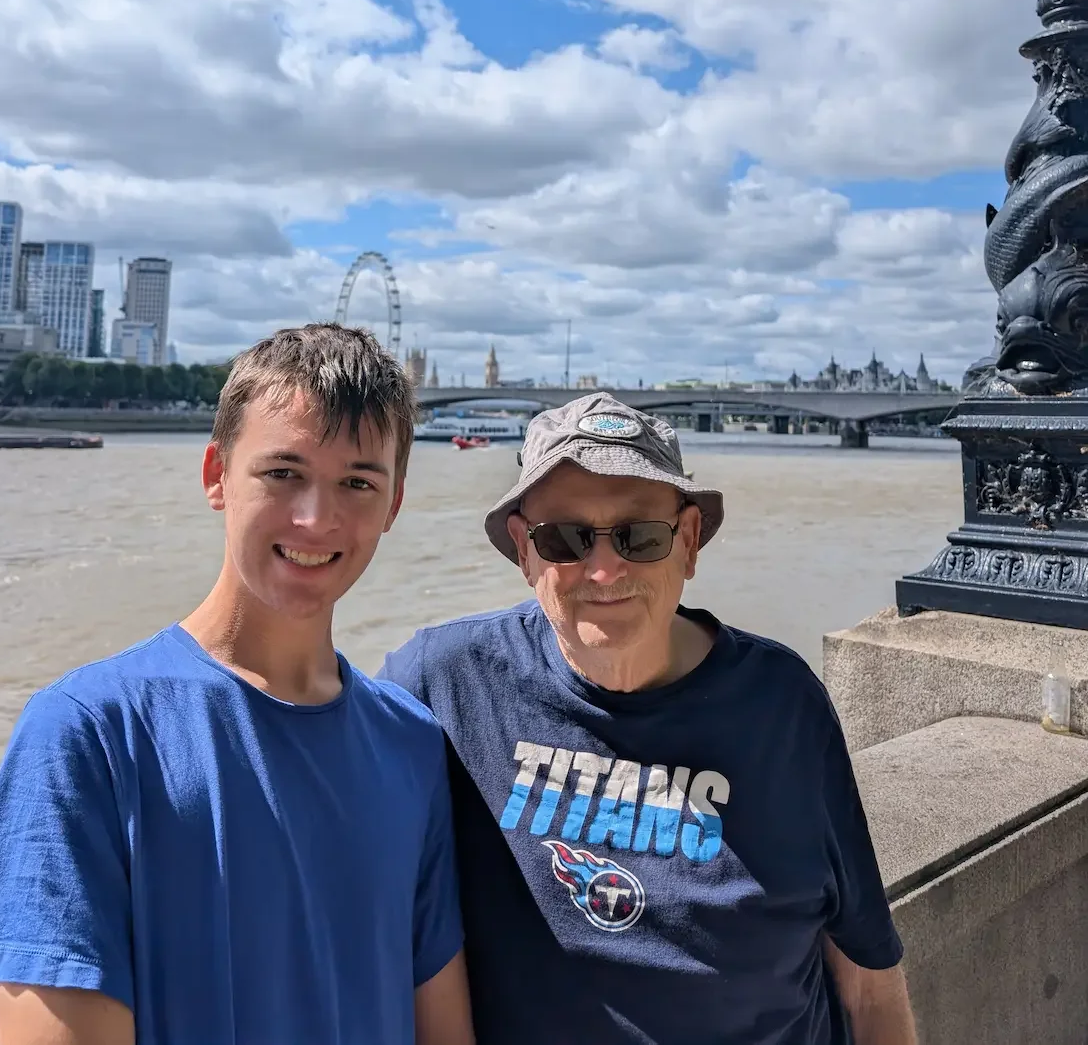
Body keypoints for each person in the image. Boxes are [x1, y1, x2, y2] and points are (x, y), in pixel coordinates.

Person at [0, 324, 474, 1045]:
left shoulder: (412, 743)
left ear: (394, 505)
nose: (316, 518)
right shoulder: (89, 732)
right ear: (216, 475)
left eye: (358, 483)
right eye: (283, 473)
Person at [382, 391, 916, 1045]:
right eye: (565, 538)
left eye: (640, 536)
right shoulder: (444, 685)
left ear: (688, 543)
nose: (605, 570)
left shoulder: (784, 707)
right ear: (525, 551)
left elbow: (867, 983)